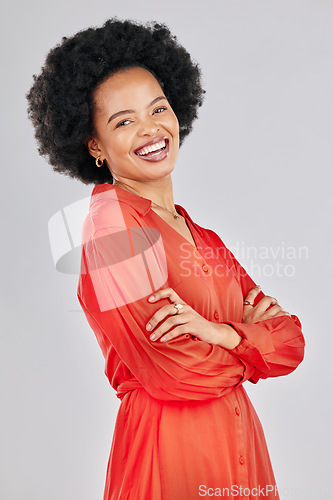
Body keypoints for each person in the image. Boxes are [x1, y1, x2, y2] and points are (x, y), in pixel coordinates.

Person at [26, 18, 305, 500]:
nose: (151, 128)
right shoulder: (110, 229)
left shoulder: (206, 238)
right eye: (123, 120)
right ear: (94, 145)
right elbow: (175, 369)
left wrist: (219, 333)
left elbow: (292, 344)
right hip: (168, 452)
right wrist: (250, 344)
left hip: (242, 450)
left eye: (158, 108)